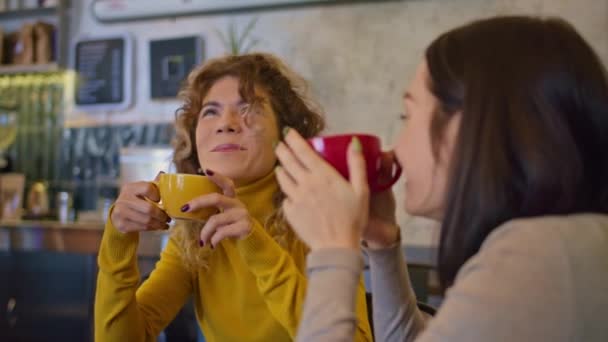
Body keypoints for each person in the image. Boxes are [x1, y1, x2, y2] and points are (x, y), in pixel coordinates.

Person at [275, 16, 608, 341]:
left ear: (465, 126)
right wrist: (383, 245)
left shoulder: (538, 256)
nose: (397, 148)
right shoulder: (563, 241)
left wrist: (333, 250)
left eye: (407, 115)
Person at [94, 53, 373, 342]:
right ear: (194, 137)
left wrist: (255, 243)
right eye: (210, 111)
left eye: (249, 108)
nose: (225, 123)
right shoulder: (194, 231)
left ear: (285, 133)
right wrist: (119, 241)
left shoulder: (322, 218)